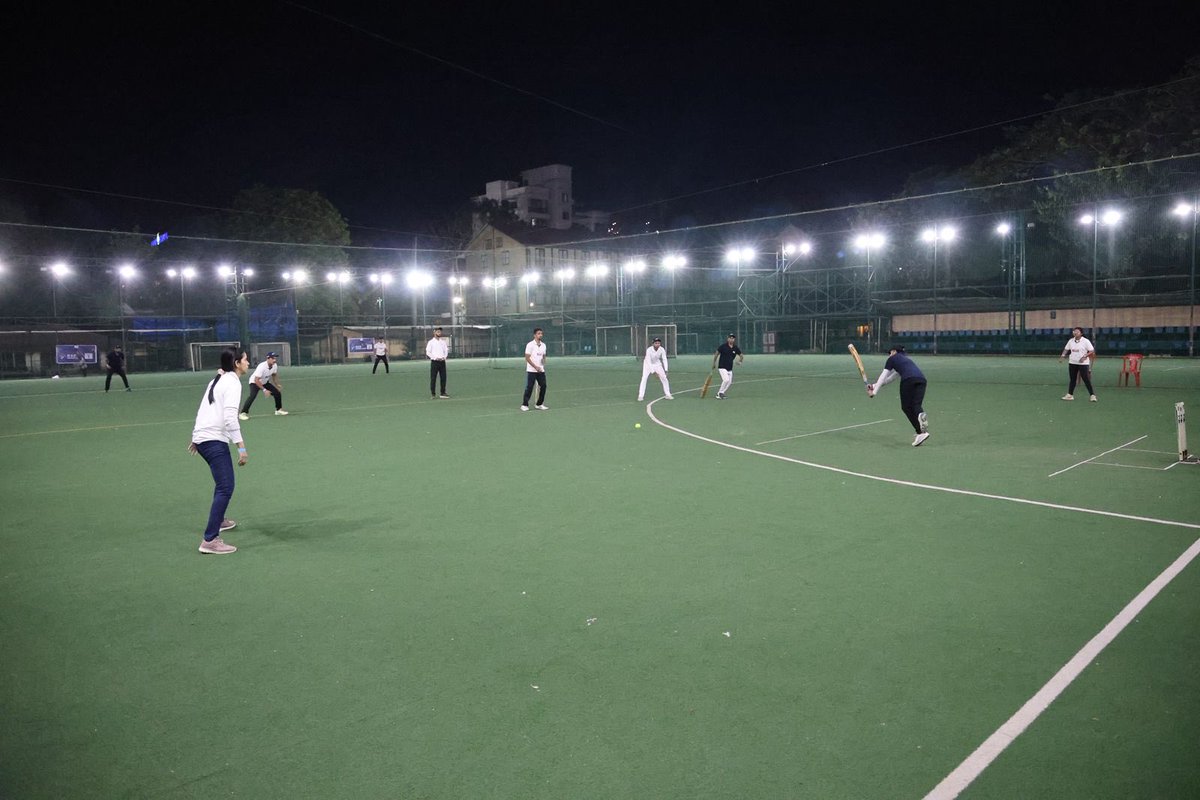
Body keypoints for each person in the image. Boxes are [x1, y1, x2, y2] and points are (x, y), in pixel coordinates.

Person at [189, 346, 250, 554]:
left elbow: (204, 409)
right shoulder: (232, 383)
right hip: (213, 441)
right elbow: (230, 418)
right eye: (245, 359)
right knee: (226, 487)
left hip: (204, 439)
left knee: (221, 484)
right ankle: (210, 540)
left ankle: (220, 520)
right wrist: (241, 447)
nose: (248, 363)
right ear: (236, 364)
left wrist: (196, 437)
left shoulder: (217, 380)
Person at [866, 344, 930, 446]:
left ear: (894, 351)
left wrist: (874, 392)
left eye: (890, 352)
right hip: (921, 380)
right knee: (916, 406)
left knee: (906, 407)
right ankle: (921, 429)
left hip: (908, 380)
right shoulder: (906, 360)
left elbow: (883, 376)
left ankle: (919, 431)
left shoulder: (892, 359)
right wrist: (874, 386)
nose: (889, 355)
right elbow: (890, 379)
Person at [239, 352, 287, 419]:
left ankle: (278, 410)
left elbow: (274, 375)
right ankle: (243, 413)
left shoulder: (274, 365)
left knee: (277, 393)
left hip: (265, 382)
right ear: (268, 359)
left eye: (275, 358)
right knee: (252, 396)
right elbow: (256, 380)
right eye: (272, 358)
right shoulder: (262, 366)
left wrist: (277, 384)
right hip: (254, 382)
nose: (274, 360)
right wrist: (265, 390)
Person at [1058, 327, 1097, 402]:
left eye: (1077, 331)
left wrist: (1084, 356)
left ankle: (1092, 395)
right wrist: (1062, 356)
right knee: (1072, 379)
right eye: (1074, 331)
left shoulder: (1086, 341)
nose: (1075, 333)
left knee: (1086, 379)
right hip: (1072, 362)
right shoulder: (1071, 341)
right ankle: (1070, 395)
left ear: (1081, 333)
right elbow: (1066, 349)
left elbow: (1092, 351)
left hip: (1083, 364)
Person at [520, 327, 548, 411]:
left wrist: (543, 362)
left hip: (541, 370)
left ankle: (539, 404)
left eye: (541, 334)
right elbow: (527, 358)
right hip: (531, 370)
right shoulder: (530, 345)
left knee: (543, 386)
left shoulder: (543, 345)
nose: (540, 335)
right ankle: (524, 404)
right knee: (529, 387)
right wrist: (535, 367)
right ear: (535, 335)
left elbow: (543, 356)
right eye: (539, 333)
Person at [638, 337, 673, 401]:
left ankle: (668, 394)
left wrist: (666, 370)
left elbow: (664, 359)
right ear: (653, 344)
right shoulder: (649, 350)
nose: (657, 344)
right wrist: (654, 372)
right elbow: (648, 361)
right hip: (647, 365)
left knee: (664, 378)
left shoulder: (662, 349)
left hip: (657, 364)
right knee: (644, 378)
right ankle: (640, 396)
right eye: (656, 343)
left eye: (659, 343)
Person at [712, 333, 743, 399]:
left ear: (734, 339)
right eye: (730, 338)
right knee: (726, 380)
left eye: (733, 338)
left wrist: (740, 361)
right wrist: (714, 363)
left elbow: (741, 355)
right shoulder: (723, 346)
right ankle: (720, 393)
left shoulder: (735, 347)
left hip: (729, 368)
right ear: (728, 339)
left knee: (729, 382)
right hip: (722, 367)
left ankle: (721, 393)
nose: (731, 339)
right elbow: (716, 354)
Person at [427, 326, 449, 398]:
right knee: (433, 378)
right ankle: (433, 394)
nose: (439, 333)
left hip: (442, 362)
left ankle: (442, 393)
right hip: (435, 362)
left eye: (440, 331)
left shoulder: (443, 342)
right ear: (434, 332)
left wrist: (444, 357)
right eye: (438, 331)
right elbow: (428, 352)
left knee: (443, 378)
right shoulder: (430, 342)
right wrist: (435, 358)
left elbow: (446, 350)